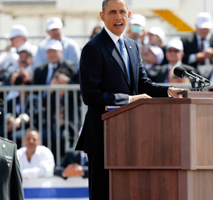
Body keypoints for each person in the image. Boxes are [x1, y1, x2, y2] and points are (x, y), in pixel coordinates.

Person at [75, 0, 183, 199]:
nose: (118, 17)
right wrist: (129, 100)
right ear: (102, 16)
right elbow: (90, 95)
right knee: (103, 193)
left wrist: (170, 91)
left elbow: (144, 85)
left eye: (122, 12)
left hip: (131, 136)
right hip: (103, 136)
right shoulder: (93, 48)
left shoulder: (132, 46)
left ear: (129, 14)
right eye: (112, 12)